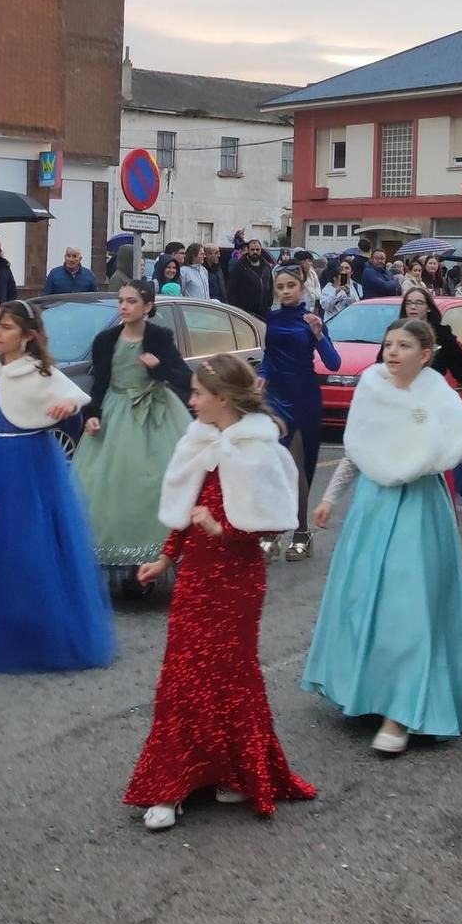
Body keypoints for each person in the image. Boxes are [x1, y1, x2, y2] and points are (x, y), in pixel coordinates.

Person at [302, 317, 462, 754]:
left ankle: (401, 711)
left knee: (411, 607)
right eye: (388, 344)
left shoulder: (439, 395)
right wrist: (330, 497)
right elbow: (357, 450)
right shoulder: (368, 385)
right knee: (363, 599)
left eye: (403, 345)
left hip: (420, 508)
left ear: (425, 355)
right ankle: (368, 690)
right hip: (372, 506)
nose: (392, 351)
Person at [125, 353, 316, 831]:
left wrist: (224, 528)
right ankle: (172, 785)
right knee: (184, 676)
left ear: (223, 399)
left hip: (237, 580)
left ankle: (233, 769)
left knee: (232, 676)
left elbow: (269, 521)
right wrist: (167, 556)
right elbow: (187, 505)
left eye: (197, 394)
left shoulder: (259, 447)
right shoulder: (199, 441)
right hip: (196, 579)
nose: (190, 401)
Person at [0, 300, 116, 672]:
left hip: (30, 466)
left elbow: (67, 412)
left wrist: (67, 411)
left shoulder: (40, 372)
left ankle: (37, 630)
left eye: (7, 328)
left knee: (30, 546)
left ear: (28, 336)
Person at [77, 280, 194, 574]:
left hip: (156, 413)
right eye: (121, 301)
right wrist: (93, 413)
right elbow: (100, 381)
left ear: (148, 307)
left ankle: (156, 553)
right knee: (109, 483)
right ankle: (113, 550)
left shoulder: (160, 337)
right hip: (116, 412)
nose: (124, 307)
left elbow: (183, 377)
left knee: (153, 482)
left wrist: (157, 367)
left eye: (131, 301)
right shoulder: (105, 340)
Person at [260, 267, 342, 561]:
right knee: (273, 468)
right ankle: (271, 531)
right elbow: (269, 357)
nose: (284, 291)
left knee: (298, 469)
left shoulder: (312, 320)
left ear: (302, 289)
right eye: (280, 286)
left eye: (290, 285)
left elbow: (333, 364)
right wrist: (262, 375)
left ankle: (301, 532)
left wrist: (319, 336)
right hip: (274, 399)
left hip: (304, 397)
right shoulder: (271, 319)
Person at [397, 286, 462, 389]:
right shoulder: (396, 333)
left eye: (418, 303)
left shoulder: (442, 335)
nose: (413, 307)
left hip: (430, 396)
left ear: (428, 307)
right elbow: (383, 368)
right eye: (408, 303)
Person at [225, 238, 274, 318]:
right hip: (245, 313)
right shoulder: (239, 266)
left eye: (257, 249)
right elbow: (232, 290)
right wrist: (238, 310)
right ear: (248, 250)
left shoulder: (266, 266)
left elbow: (271, 286)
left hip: (263, 313)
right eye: (252, 249)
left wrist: (268, 305)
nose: (255, 252)